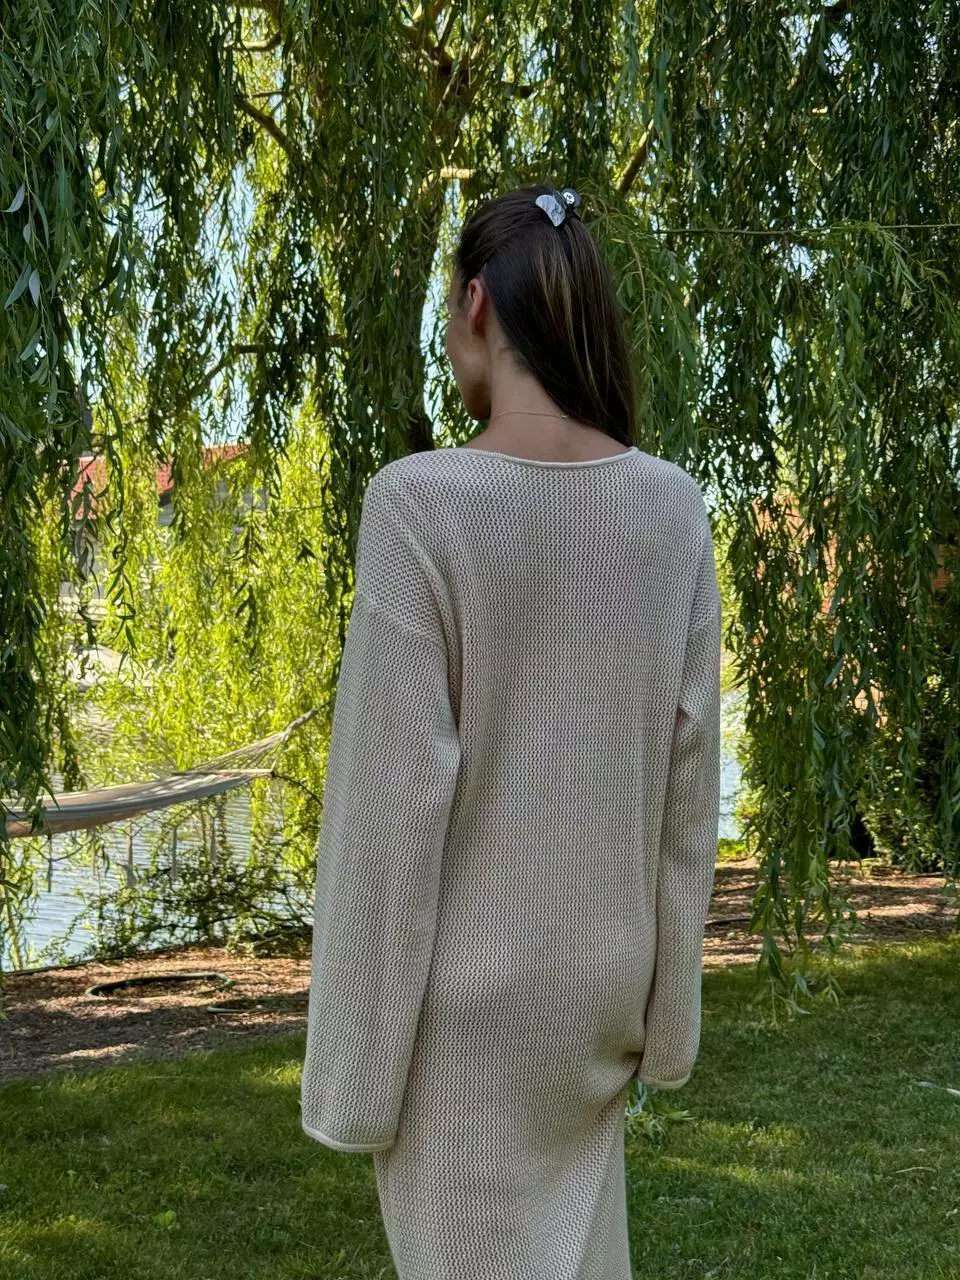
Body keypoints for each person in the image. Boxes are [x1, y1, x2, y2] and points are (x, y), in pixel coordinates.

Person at [300, 182, 723, 1280]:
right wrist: (668, 1028)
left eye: (448, 310)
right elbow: (688, 804)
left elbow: (389, 811)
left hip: (466, 1030)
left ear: (477, 302)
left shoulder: (417, 506)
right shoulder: (674, 511)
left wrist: (353, 1083)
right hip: (599, 1011)